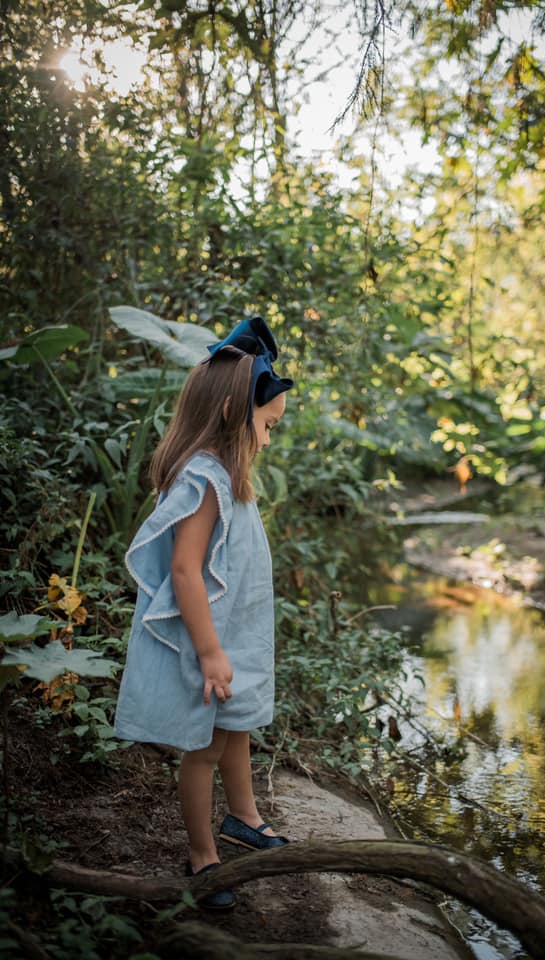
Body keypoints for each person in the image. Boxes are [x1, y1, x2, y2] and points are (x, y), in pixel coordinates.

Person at [114, 316, 294, 910]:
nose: (267, 440)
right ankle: (201, 856)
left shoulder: (228, 475)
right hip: (210, 634)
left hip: (233, 626)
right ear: (231, 414)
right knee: (207, 746)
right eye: (266, 426)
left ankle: (243, 816)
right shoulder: (203, 480)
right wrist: (211, 651)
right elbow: (186, 570)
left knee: (236, 723)